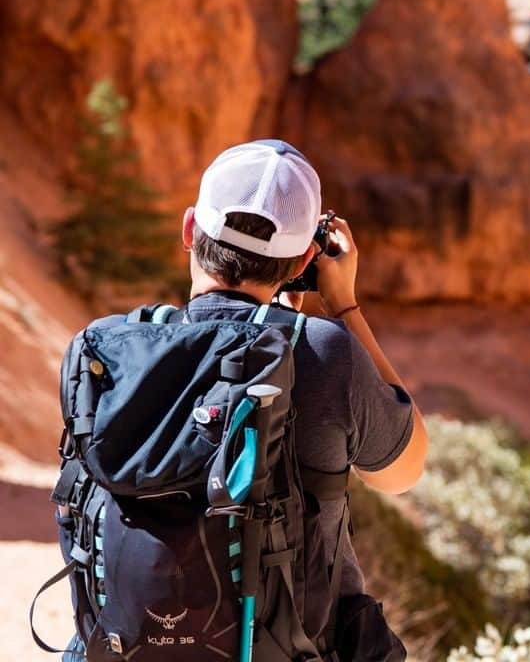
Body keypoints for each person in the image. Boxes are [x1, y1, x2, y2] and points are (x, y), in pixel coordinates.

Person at [59, 138, 427, 661]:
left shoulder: (104, 350)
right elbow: (402, 472)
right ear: (305, 258)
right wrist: (343, 307)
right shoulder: (323, 353)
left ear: (190, 230)